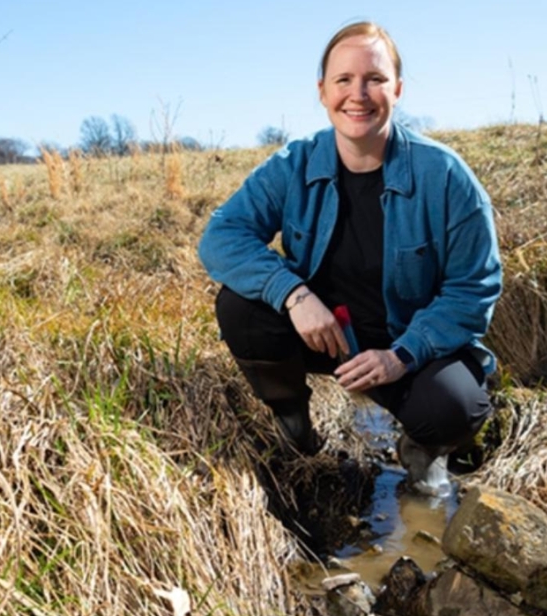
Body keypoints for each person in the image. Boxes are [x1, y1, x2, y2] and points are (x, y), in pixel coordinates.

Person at [197, 21, 502, 492]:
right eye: (343, 80)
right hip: (328, 338)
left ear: (397, 90)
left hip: (408, 348)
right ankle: (293, 422)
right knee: (241, 306)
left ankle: (420, 449)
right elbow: (221, 235)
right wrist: (294, 294)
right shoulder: (293, 165)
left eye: (374, 80)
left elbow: (473, 290)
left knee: (456, 410)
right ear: (322, 91)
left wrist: (402, 355)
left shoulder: (446, 177)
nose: (357, 94)